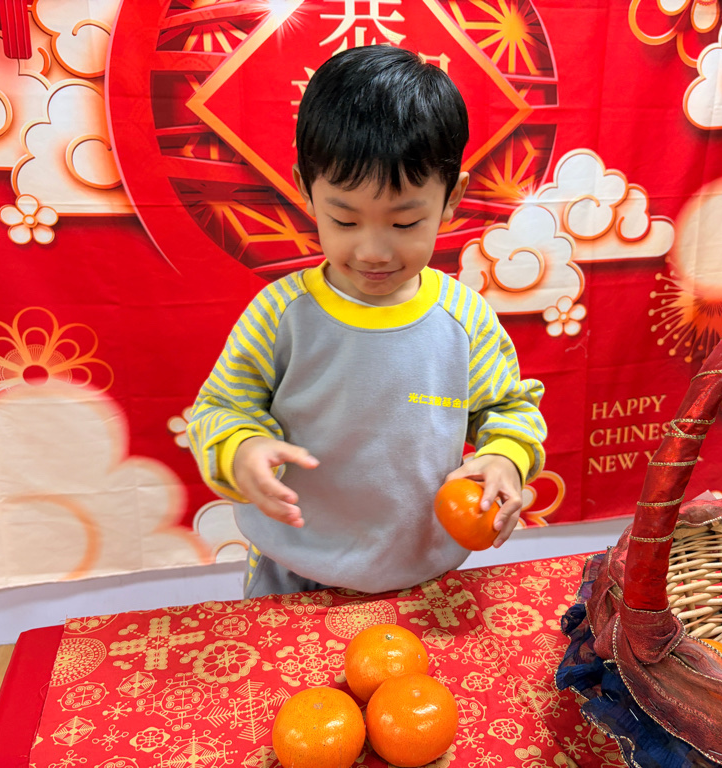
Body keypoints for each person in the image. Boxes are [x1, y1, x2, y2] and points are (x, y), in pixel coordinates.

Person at [187, 45, 546, 599]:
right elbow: (219, 409)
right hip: (293, 570)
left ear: (452, 198)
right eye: (344, 220)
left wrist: (504, 458)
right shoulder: (280, 316)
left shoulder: (465, 319)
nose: (373, 250)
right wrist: (242, 450)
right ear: (306, 190)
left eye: (404, 223)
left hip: (423, 571)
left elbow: (509, 410)